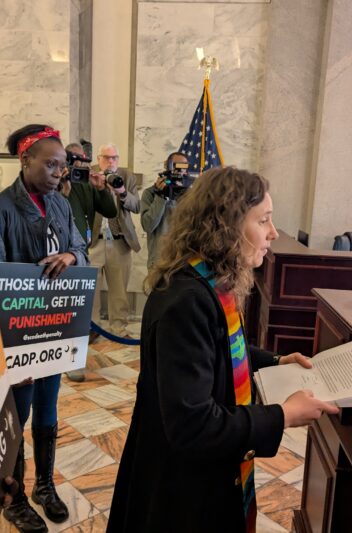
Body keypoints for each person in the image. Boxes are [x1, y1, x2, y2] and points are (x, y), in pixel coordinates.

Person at [106, 166, 339, 533]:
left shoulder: (207, 281)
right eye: (263, 221)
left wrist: (275, 361)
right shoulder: (187, 300)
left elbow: (218, 346)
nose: (273, 234)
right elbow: (192, 424)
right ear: (225, 225)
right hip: (181, 489)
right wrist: (283, 415)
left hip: (202, 471)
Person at [0, 124, 88, 533]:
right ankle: (15, 496)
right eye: (50, 164)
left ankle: (44, 486)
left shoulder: (60, 205)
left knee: (49, 410)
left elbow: (82, 246)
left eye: (62, 166)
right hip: (17, 336)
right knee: (15, 419)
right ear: (25, 160)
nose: (59, 172)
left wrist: (71, 256)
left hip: (54, 331)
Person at [61, 142, 117, 382]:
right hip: (60, 254)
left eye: (85, 162)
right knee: (61, 310)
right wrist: (62, 183)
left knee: (78, 310)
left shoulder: (88, 183)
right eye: (78, 162)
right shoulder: (58, 180)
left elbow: (110, 211)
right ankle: (59, 357)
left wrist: (102, 188)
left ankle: (74, 360)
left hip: (82, 252)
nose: (82, 167)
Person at [89, 143, 140, 337]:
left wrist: (122, 192)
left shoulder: (126, 176)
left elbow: (137, 205)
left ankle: (118, 327)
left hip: (120, 241)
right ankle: (92, 327)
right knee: (91, 288)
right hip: (94, 241)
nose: (111, 162)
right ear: (98, 159)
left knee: (119, 289)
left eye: (114, 158)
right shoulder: (90, 174)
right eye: (107, 158)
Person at [141, 151, 189, 270]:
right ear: (167, 166)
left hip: (184, 263)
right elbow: (148, 226)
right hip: (159, 262)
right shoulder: (150, 193)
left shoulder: (191, 195)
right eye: (175, 165)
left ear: (186, 170)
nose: (178, 170)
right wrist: (161, 197)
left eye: (182, 166)